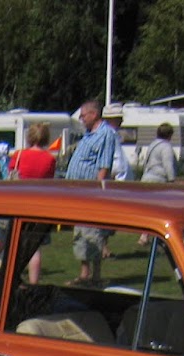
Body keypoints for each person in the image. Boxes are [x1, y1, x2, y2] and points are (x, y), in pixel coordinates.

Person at [64, 100, 118, 283]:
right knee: (81, 235)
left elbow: (104, 166)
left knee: (93, 234)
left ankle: (95, 276)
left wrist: (97, 194)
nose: (81, 119)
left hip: (90, 194)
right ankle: (84, 274)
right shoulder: (88, 134)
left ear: (94, 114)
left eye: (83, 116)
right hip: (78, 194)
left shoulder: (105, 134)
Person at [103, 104, 132, 181]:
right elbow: (118, 164)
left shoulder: (112, 134)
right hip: (117, 182)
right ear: (112, 119)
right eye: (119, 118)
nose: (122, 121)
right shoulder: (109, 134)